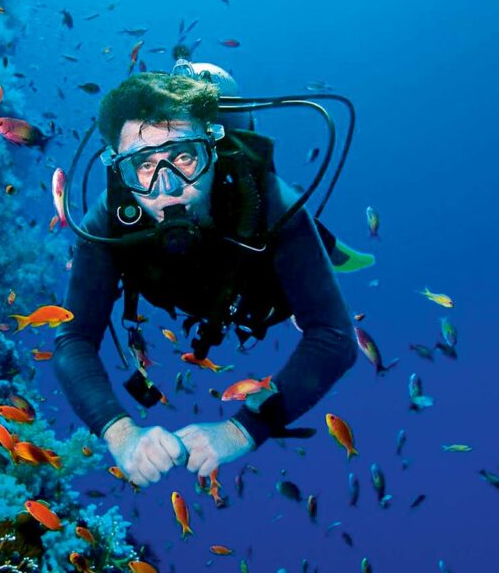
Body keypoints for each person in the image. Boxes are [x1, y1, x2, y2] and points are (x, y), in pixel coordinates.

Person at [53, 66, 360, 487]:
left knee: (304, 268)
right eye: (143, 166)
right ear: (121, 171)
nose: (168, 186)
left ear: (212, 151)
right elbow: (72, 339)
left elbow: (335, 337)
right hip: (191, 294)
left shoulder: (268, 200)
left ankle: (323, 246)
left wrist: (242, 430)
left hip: (261, 294)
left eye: (184, 156)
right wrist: (119, 432)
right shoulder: (109, 219)